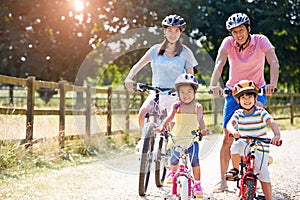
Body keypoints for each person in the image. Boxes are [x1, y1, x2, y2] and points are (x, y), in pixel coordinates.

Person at [209, 12, 280, 192]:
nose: (238, 35)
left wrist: (273, 83)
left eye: (241, 30)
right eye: (234, 32)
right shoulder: (228, 43)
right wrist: (213, 85)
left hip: (256, 90)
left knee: (259, 116)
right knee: (228, 136)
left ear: (248, 29)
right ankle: (224, 180)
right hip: (234, 92)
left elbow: (273, 61)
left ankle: (261, 158)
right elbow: (219, 63)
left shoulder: (261, 40)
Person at [124, 14, 197, 129]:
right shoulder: (155, 50)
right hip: (156, 93)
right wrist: (129, 78)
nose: (173, 34)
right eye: (169, 30)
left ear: (180, 32)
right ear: (164, 31)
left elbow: (190, 77)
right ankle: (144, 141)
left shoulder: (186, 52)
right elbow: (138, 65)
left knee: (172, 126)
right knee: (142, 113)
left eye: (176, 31)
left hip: (175, 95)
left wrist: (188, 93)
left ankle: (171, 146)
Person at [225, 80, 281, 200]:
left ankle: (269, 198)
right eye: (243, 97)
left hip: (260, 147)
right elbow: (230, 124)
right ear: (237, 100)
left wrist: (276, 135)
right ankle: (235, 169)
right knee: (235, 146)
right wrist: (233, 131)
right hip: (245, 143)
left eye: (250, 96)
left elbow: (271, 122)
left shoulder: (260, 111)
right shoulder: (238, 113)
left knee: (264, 175)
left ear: (256, 97)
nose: (246, 99)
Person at [159, 73, 208, 197]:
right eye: (182, 92)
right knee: (174, 158)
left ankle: (197, 184)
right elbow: (170, 117)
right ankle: (172, 172)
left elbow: (201, 120)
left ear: (195, 91)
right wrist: (162, 126)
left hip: (192, 138)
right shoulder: (176, 105)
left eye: (189, 91)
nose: (186, 95)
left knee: (195, 160)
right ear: (178, 93)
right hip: (178, 137)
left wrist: (203, 129)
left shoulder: (198, 106)